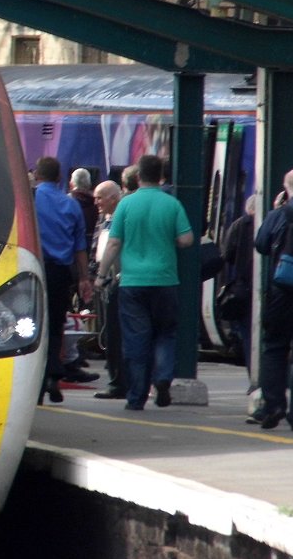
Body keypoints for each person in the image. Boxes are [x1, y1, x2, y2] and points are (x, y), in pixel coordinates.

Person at [96, 153, 194, 410]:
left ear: (138, 176)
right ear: (161, 176)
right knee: (165, 333)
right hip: (165, 280)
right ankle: (162, 378)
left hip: (132, 283)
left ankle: (136, 397)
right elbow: (186, 240)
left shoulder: (126, 205)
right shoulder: (171, 204)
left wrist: (100, 275)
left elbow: (114, 243)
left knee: (136, 339)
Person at [33, 157, 95, 404]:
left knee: (33, 328)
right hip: (61, 273)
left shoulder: (31, 199)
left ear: (37, 175)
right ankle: (53, 376)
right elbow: (80, 247)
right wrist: (83, 278)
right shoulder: (71, 206)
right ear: (60, 178)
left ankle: (37, 384)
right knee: (56, 326)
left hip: (34, 269)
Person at [252, 167, 293, 432]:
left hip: (282, 290)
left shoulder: (280, 214)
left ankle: (274, 404)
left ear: (286, 189)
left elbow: (261, 245)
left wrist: (276, 210)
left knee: (274, 347)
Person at [89, 179, 126, 399]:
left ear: (113, 198)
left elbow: (114, 246)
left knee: (116, 334)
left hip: (118, 280)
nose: (96, 202)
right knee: (112, 333)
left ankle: (119, 382)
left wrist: (102, 276)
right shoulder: (106, 218)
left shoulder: (120, 216)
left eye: (100, 197)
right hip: (110, 281)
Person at [219, 195, 256, 365]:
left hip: (243, 286)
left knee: (248, 332)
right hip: (273, 286)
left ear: (249, 209)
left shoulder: (238, 225)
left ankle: (253, 373)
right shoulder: (275, 219)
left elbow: (226, 255)